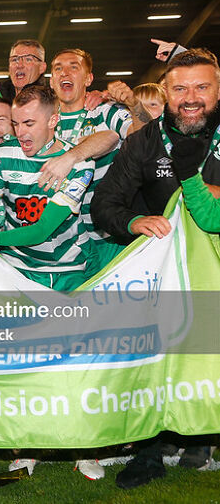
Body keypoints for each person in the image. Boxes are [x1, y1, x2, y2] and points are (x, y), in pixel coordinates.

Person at [91, 49, 220, 488]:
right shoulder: (144, 142)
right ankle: (148, 451)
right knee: (153, 360)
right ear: (164, 92)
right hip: (163, 275)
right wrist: (133, 221)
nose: (191, 98)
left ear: (217, 89)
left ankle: (202, 435)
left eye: (202, 87)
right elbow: (103, 205)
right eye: (180, 88)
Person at [0, 85, 94, 292]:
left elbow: (42, 230)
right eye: (16, 124)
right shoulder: (2, 153)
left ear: (53, 120)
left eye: (29, 124)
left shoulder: (80, 164)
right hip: (14, 267)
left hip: (65, 270)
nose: (20, 133)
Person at [48, 48, 150, 275]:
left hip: (108, 236)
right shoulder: (45, 121)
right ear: (52, 81)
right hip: (62, 242)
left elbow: (147, 140)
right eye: (58, 69)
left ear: (88, 78)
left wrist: (134, 103)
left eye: (74, 67)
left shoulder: (106, 112)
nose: (65, 73)